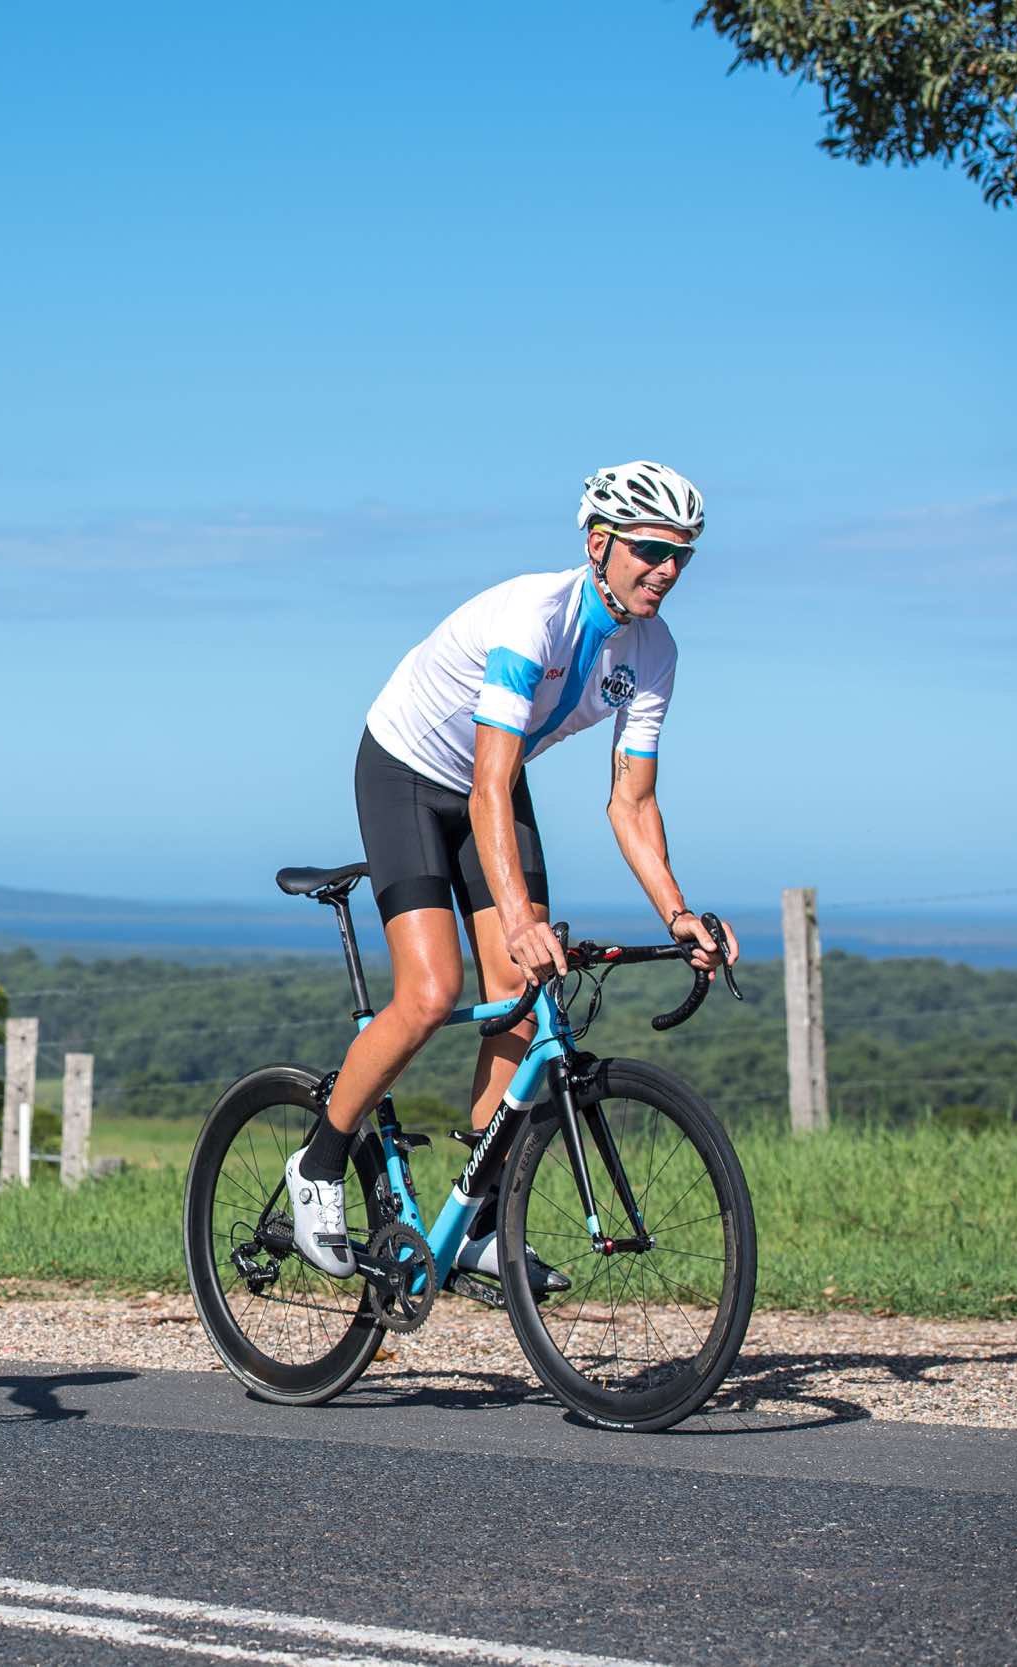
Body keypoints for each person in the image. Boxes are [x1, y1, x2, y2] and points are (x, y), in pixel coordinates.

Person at [286, 461, 739, 1284]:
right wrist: (522, 919)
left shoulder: (655, 651)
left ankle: (483, 1219)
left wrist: (678, 912)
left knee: (522, 998)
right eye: (649, 550)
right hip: (408, 772)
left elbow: (631, 802)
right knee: (430, 990)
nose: (667, 570)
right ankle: (318, 1163)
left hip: (493, 783)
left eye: (683, 556)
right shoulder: (535, 618)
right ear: (600, 544)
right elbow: (487, 780)